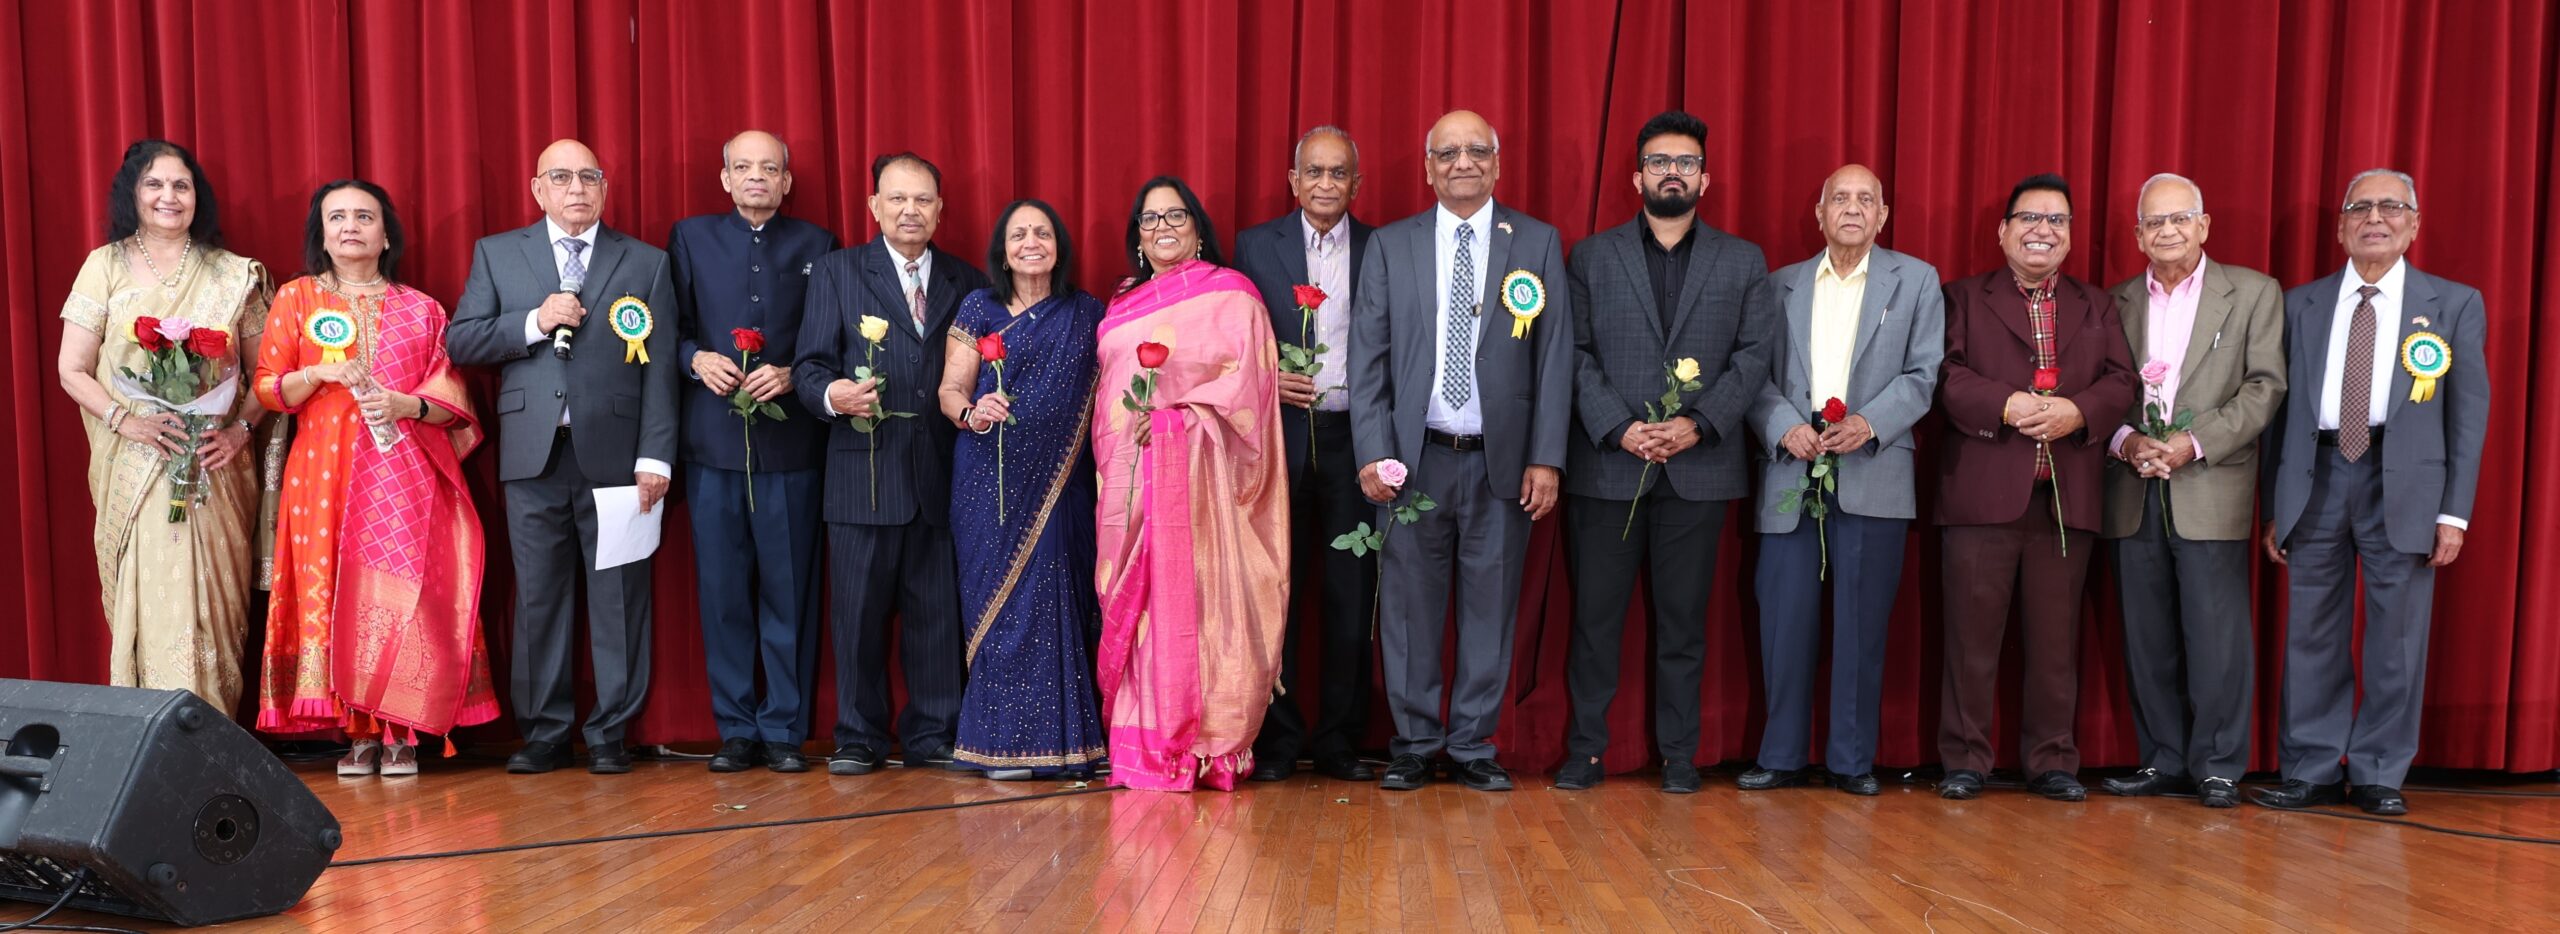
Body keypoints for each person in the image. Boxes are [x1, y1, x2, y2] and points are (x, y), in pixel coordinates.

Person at [1347, 110, 1574, 793]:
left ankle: (1474, 744)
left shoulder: (1535, 241)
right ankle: (1415, 742)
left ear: (1498, 163)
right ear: (1428, 167)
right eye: (1448, 153)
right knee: (1410, 612)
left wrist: (1547, 457)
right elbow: (1369, 360)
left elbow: (1555, 356)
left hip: (1499, 464)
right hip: (1412, 465)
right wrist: (1372, 453)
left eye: (1477, 150)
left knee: (1490, 607)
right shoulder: (1393, 245)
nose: (1463, 162)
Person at [1555, 111, 1776, 795]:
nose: (1671, 171)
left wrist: (1698, 425)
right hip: (1608, 464)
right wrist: (1619, 426)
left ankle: (1680, 754)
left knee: (1684, 625)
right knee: (1595, 621)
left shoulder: (1742, 261)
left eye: (1684, 162)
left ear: (1704, 177)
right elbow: (1575, 354)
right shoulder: (1591, 257)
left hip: (1699, 471)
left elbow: (1752, 358)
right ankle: (1586, 750)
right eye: (1658, 161)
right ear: (1637, 176)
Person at [2255, 169, 2486, 817]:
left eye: (2391, 206)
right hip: (2318, 479)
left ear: (2414, 223)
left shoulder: (2454, 304)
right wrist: (2275, 507)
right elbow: (2280, 416)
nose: (2374, 216)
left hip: (2406, 485)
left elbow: (2467, 419)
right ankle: (2313, 767)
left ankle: (2382, 770)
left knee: (2398, 636)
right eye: (2360, 206)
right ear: (2340, 227)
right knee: (2311, 634)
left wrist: (2454, 512)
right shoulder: (2300, 302)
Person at [445, 139, 678, 776]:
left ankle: (610, 733)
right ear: (537, 189)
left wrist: (656, 456)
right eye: (561, 177)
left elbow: (659, 371)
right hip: (532, 456)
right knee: (539, 599)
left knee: (619, 599)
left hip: (619, 458)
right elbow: (462, 340)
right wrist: (533, 321)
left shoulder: (647, 261)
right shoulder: (498, 253)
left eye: (588, 177)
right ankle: (545, 732)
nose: (576, 188)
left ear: (603, 187)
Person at [252, 179, 495, 775]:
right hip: (323, 480)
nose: (351, 227)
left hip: (401, 478)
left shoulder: (423, 309)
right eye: (337, 218)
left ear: (387, 236)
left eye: (365, 217)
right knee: (331, 591)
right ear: (322, 234)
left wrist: (407, 405)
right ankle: (355, 734)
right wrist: (319, 373)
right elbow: (267, 388)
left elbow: (453, 400)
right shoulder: (298, 300)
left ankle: (399, 733)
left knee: (402, 595)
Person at [1737, 164, 1943, 798]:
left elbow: (1923, 373)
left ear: (1883, 216)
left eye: (1866, 200)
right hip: (1790, 474)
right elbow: (1752, 376)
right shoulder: (1777, 286)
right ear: (1819, 212)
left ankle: (1852, 761)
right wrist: (1780, 426)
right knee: (1785, 624)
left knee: (1861, 628)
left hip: (1873, 470)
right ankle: (1781, 755)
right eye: (1839, 199)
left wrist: (1868, 423)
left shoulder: (1916, 281)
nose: (1852, 209)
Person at [1934, 173, 2135, 803]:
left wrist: (2077, 413)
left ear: (2071, 236)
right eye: (2029, 218)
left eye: (2057, 220)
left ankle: (2053, 761)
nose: (2042, 230)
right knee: (1970, 641)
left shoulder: (2097, 304)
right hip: (1981, 493)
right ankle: (1965, 759)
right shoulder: (1962, 297)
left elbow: (2121, 381)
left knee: (2056, 643)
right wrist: (2009, 403)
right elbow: (1945, 376)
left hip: (2063, 496)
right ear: (2003, 231)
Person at [54, 139, 270, 715]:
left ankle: (215, 732)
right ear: (133, 194)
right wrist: (131, 423)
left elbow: (267, 375)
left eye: (181, 185)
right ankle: (153, 738)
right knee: (153, 596)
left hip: (213, 466)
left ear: (198, 197)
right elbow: (71, 369)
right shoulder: (104, 265)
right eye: (155, 184)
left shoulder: (233, 274)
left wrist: (238, 432)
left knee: (216, 606)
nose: (169, 196)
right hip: (138, 463)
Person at [2095, 174, 2285, 809]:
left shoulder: (2254, 293)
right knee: (2146, 636)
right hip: (2132, 486)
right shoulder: (2114, 301)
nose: (2167, 231)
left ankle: (2220, 765)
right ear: (2137, 234)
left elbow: (2264, 387)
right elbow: (2101, 391)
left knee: (2216, 636)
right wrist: (2126, 440)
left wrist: (2193, 442)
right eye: (2154, 222)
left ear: (2204, 226)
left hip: (2210, 483)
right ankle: (2163, 759)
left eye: (2180, 218)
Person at [1094, 176, 1289, 792]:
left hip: (1207, 492)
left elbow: (1247, 394)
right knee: (1143, 613)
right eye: (1148, 220)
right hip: (1126, 485)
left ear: (1199, 228)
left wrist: (1179, 423)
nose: (1162, 228)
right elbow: (1107, 402)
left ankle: (1207, 746)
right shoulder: (1121, 304)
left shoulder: (1231, 296)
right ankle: (1144, 741)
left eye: (1174, 215)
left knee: (1200, 607)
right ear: (1137, 237)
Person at [795, 152, 988, 776]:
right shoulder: (836, 272)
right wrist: (833, 396)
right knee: (856, 618)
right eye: (897, 199)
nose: (911, 210)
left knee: (936, 616)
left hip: (940, 475)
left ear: (940, 209)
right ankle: (857, 735)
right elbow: (807, 368)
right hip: (861, 473)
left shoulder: (967, 280)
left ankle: (934, 733)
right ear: (873, 206)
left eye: (924, 200)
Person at [667, 131, 836, 774]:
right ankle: (736, 728)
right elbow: (670, 328)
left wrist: (794, 372)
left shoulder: (818, 245)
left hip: (790, 443)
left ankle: (785, 729)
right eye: (743, 167)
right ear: (725, 177)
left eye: (770, 168)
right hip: (712, 445)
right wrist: (696, 359)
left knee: (789, 593)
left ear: (787, 181)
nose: (757, 177)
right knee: (722, 592)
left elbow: (831, 335)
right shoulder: (690, 237)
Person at [937, 200, 1108, 780]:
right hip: (987, 479)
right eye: (1018, 234)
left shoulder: (1086, 312)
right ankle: (994, 745)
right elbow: (949, 391)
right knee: (996, 605)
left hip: (1063, 485)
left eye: (1042, 232)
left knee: (1057, 597)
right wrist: (972, 412)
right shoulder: (978, 307)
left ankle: (1068, 744)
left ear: (1059, 244)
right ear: (1002, 249)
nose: (1031, 242)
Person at [1230, 126, 1379, 783]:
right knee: (1276, 598)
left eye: (1338, 172)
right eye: (1313, 172)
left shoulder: (1383, 248)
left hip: (1355, 445)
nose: (1325, 183)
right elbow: (1233, 342)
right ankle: (1279, 740)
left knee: (1352, 596)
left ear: (1356, 183)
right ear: (1293, 181)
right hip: (1280, 442)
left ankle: (1343, 739)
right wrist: (1267, 376)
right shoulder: (1255, 246)